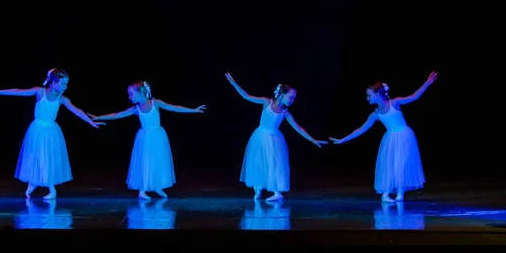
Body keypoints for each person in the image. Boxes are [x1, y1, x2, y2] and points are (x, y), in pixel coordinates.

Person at [0, 68, 105, 199]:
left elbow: (77, 110)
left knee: (47, 158)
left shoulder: (62, 99)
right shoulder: (39, 92)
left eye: (66, 83)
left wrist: (90, 122)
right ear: (53, 83)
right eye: (63, 83)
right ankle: (34, 182)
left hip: (51, 131)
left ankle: (51, 188)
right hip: (36, 130)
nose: (66, 86)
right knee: (35, 156)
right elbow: (18, 91)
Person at [329, 71, 437, 202]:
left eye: (369, 95)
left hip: (404, 136)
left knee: (400, 164)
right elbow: (361, 129)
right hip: (391, 139)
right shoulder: (375, 114)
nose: (367, 98)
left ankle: (400, 193)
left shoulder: (394, 103)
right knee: (391, 165)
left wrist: (427, 83)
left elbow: (414, 96)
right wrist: (343, 140)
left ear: (378, 95)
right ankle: (386, 193)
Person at [89, 80, 206, 200]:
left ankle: (158, 186)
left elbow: (175, 107)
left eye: (131, 94)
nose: (129, 97)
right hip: (145, 138)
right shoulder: (136, 109)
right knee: (145, 161)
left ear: (140, 92)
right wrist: (98, 117)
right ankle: (142, 190)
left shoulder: (156, 103)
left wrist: (193, 110)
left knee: (159, 160)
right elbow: (117, 114)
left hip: (158, 136)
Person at [225, 72, 327, 201]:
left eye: (294, 98)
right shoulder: (266, 102)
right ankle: (259, 187)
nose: (292, 100)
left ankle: (276, 191)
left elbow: (299, 128)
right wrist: (234, 82)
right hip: (260, 136)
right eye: (291, 97)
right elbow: (246, 96)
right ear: (282, 95)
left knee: (274, 163)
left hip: (274, 139)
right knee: (260, 162)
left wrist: (313, 140)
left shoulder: (285, 113)